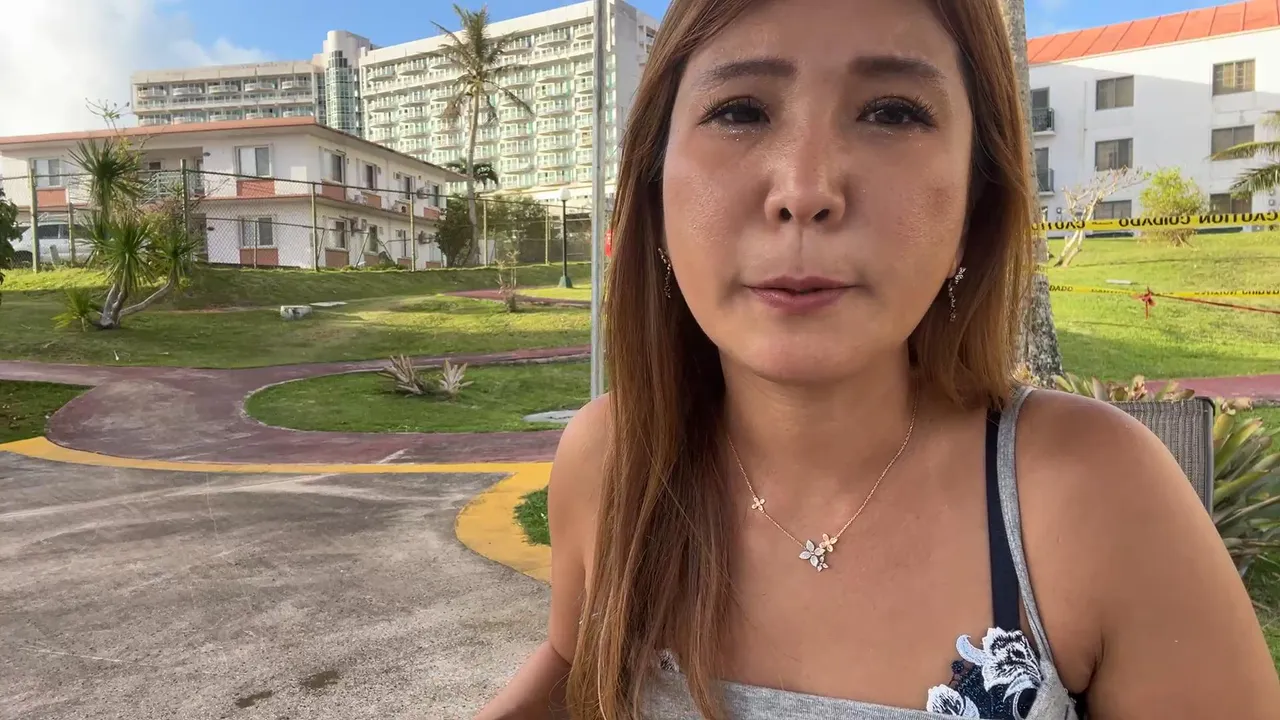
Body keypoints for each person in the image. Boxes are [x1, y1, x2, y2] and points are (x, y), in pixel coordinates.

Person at [474, 0, 1280, 717]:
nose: (805, 189)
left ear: (976, 201)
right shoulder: (611, 459)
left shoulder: (1096, 495)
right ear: (653, 191)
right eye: (741, 110)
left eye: (892, 112)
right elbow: (575, 666)